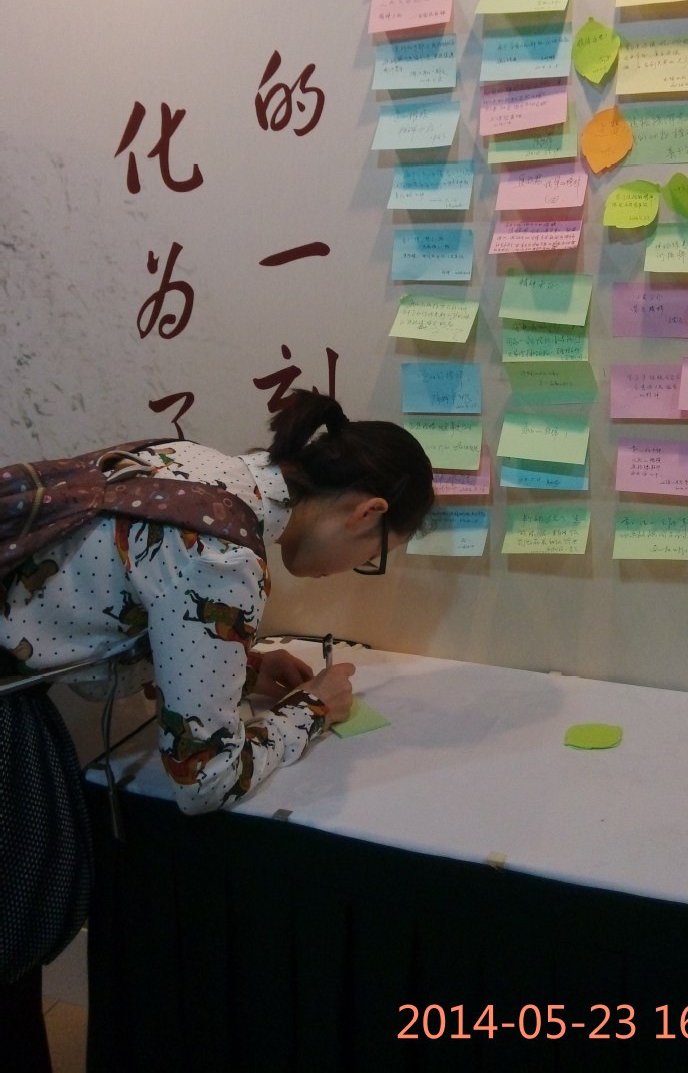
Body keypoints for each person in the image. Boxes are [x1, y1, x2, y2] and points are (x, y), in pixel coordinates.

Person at [0, 390, 434, 1071]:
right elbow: (205, 778)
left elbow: (118, 603)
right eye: (373, 555)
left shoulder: (194, 464)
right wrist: (313, 709)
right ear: (367, 513)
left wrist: (241, 664)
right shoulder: (224, 555)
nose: (351, 570)